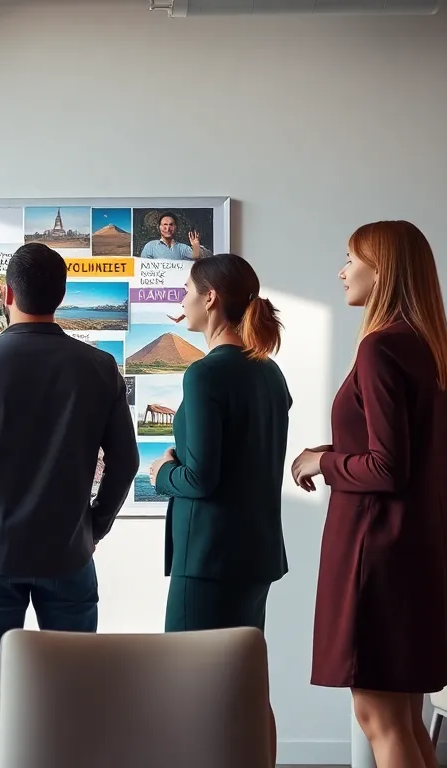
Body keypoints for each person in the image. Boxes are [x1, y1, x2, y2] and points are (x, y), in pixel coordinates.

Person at [0, 242, 139, 768]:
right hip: (70, 550)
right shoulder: (98, 368)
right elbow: (125, 462)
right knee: (72, 683)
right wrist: (95, 525)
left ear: (5, 295)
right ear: (63, 296)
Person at [291, 220, 447, 768]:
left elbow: (388, 468)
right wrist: (337, 449)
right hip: (421, 542)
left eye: (351, 258)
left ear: (382, 269)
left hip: (378, 549)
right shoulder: (430, 347)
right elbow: (399, 451)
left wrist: (322, 461)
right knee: (404, 719)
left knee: (380, 719)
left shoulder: (380, 348)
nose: (341, 270)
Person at [146, 253, 290, 768]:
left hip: (206, 562)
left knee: (188, 692)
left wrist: (160, 471)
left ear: (210, 298)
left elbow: (201, 478)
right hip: (255, 559)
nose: (181, 300)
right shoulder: (269, 374)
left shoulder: (206, 375)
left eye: (187, 289)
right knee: (248, 688)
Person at [139, 211, 212, 260]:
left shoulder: (182, 248)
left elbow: (197, 257)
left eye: (171, 225)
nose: (167, 228)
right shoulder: (150, 246)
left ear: (176, 227)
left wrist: (196, 245)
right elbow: (143, 267)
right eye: (165, 225)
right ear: (159, 227)